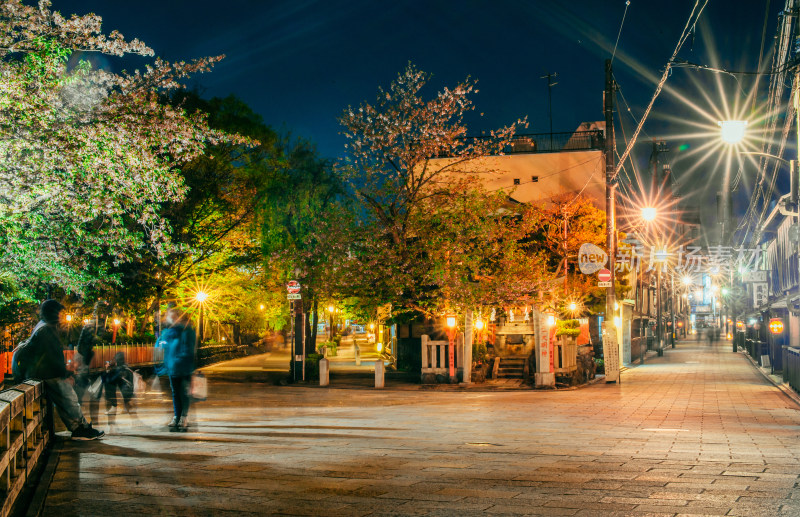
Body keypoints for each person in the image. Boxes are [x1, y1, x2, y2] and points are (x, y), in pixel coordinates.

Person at [19, 300, 104, 441]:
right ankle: (80, 429)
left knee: (64, 400)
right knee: (69, 398)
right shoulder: (47, 329)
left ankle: (77, 427)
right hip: (46, 372)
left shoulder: (42, 326)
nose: (60, 316)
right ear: (52, 313)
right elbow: (52, 356)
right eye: (59, 313)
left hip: (37, 372)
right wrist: (65, 374)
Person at [161, 308, 196, 432]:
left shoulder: (186, 330)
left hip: (184, 367)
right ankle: (177, 416)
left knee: (184, 393)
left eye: (172, 316)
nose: (170, 318)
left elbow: (189, 349)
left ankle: (183, 417)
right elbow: (164, 346)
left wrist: (180, 359)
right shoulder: (169, 331)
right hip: (172, 367)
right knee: (175, 392)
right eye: (169, 316)